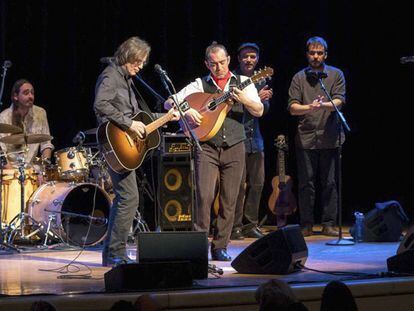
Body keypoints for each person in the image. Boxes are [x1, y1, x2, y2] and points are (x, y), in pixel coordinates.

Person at [164, 42, 263, 261]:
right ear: (207, 64)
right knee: (204, 196)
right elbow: (169, 101)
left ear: (228, 60)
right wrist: (187, 111)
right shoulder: (200, 83)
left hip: (236, 146)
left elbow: (259, 110)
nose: (218, 67)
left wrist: (243, 98)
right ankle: (199, 247)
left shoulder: (244, 82)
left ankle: (220, 247)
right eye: (213, 64)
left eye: (222, 62)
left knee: (229, 199)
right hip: (207, 147)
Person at [94, 36, 178, 266]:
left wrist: (167, 117)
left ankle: (112, 253)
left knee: (127, 198)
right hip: (115, 145)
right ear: (127, 56)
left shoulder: (128, 81)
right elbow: (101, 104)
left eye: (143, 62)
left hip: (126, 146)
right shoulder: (111, 76)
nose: (141, 66)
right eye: (138, 61)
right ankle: (114, 254)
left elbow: (142, 119)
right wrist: (129, 124)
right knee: (129, 197)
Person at [288, 36, 346, 237]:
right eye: (312, 53)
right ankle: (307, 225)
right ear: (307, 55)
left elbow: (339, 101)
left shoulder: (335, 74)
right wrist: (309, 107)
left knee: (330, 183)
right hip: (306, 138)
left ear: (325, 55)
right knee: (306, 184)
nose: (315, 56)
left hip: (330, 137)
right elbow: (293, 108)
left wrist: (323, 105)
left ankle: (329, 223)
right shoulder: (298, 78)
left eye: (319, 53)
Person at [231, 42, 273, 240]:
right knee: (237, 186)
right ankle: (235, 226)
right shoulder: (230, 79)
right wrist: (254, 98)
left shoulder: (260, 79)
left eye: (253, 57)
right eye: (246, 56)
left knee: (257, 183)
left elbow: (263, 110)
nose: (249, 60)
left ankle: (250, 225)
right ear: (238, 58)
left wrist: (263, 100)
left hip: (255, 139)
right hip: (236, 137)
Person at [0, 79, 53, 167]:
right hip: (10, 170)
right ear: (15, 96)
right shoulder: (3, 117)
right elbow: (1, 153)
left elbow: (46, 144)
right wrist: (13, 174)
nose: (30, 96)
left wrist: (45, 166)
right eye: (26, 93)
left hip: (32, 169)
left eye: (32, 93)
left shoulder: (40, 113)